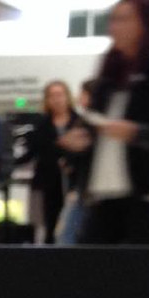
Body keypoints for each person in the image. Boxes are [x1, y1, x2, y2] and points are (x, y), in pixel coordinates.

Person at [59, 0, 149, 244]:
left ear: (147, 24)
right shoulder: (108, 77)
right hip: (104, 194)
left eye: (124, 19)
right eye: (113, 19)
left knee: (140, 266)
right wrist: (80, 141)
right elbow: (96, 127)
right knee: (90, 262)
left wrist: (138, 133)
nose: (114, 27)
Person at [15, 81, 81, 243]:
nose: (56, 100)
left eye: (60, 95)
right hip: (49, 182)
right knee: (50, 222)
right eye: (52, 96)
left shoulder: (79, 122)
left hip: (74, 181)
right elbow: (32, 152)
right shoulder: (41, 125)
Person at [57, 80, 97, 245]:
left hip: (86, 190)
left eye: (83, 93)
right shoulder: (84, 121)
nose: (79, 97)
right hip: (82, 188)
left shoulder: (91, 123)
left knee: (68, 237)